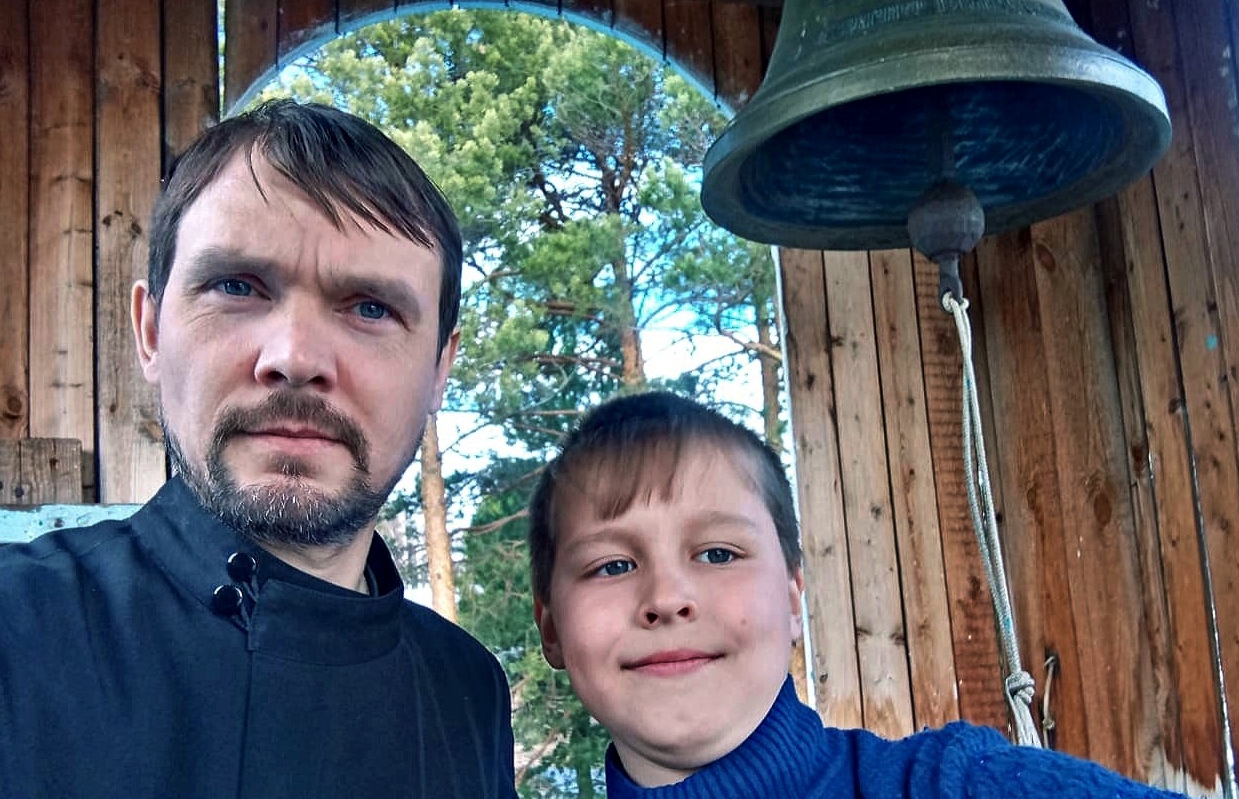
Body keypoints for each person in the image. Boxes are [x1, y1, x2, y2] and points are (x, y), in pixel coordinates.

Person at [0, 99, 517, 798]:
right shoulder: (13, 626)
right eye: (236, 287)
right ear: (150, 331)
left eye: (370, 307)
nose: (295, 358)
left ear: (439, 370)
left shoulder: (469, 690)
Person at [527, 390, 1188, 799]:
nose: (667, 597)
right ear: (551, 626)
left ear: (793, 600)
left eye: (718, 553)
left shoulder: (955, 785)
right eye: (612, 565)